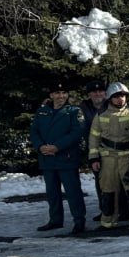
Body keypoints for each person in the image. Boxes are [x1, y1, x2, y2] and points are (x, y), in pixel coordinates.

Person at [30, 82, 87, 235]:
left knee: (73, 192)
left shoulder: (74, 111)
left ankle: (79, 221)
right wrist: (40, 146)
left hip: (66, 157)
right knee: (52, 192)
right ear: (51, 95)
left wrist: (57, 147)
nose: (61, 96)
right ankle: (55, 220)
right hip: (47, 159)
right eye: (57, 93)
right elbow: (34, 131)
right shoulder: (42, 112)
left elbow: (77, 133)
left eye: (63, 93)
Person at [88, 82, 129, 230]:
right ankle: (107, 222)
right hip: (108, 158)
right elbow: (94, 138)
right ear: (110, 98)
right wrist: (93, 158)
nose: (121, 99)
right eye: (117, 97)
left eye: (124, 96)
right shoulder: (101, 115)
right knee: (108, 190)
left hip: (128, 157)